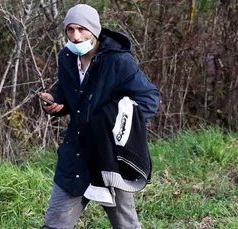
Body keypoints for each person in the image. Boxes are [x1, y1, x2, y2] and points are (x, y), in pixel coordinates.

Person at [39, 4, 160, 229]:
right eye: (70, 29)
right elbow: (70, 94)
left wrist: (112, 123)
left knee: (127, 226)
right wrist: (57, 101)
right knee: (54, 225)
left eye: (82, 29)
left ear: (94, 30)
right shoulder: (66, 57)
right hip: (74, 155)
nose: (75, 36)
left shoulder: (118, 62)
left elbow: (149, 99)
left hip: (110, 158)